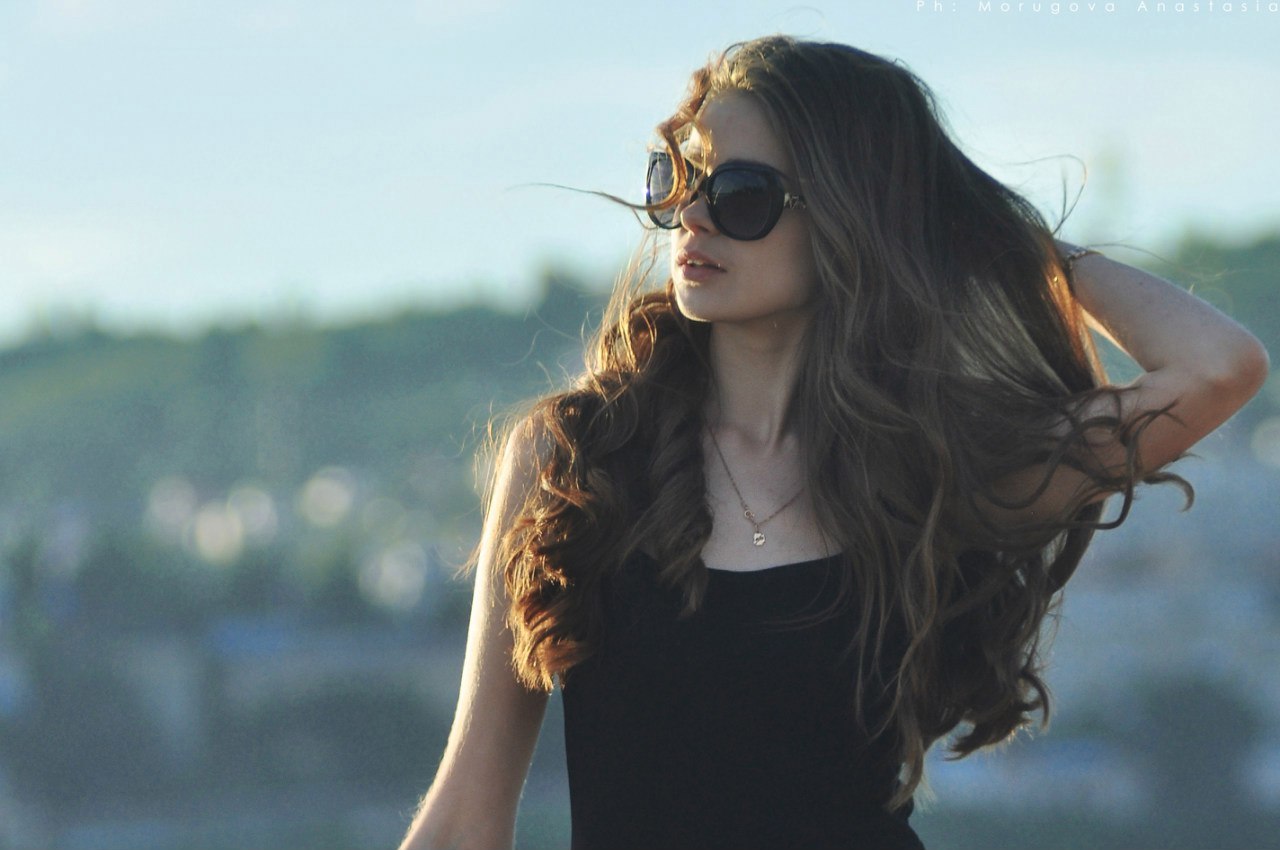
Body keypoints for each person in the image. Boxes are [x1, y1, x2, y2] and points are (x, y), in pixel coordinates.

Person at [397, 36, 1269, 850]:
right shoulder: (574, 460)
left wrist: (984, 229)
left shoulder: (933, 466)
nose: (691, 218)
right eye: (677, 177)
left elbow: (1215, 366)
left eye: (741, 197)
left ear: (856, 218)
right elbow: (465, 817)